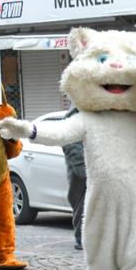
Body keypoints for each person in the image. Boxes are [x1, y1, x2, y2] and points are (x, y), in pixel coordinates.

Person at [62, 106, 87, 251]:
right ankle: (82, 238)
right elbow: (69, 138)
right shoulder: (78, 108)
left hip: (99, 163)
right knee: (81, 200)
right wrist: (81, 165)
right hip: (83, 165)